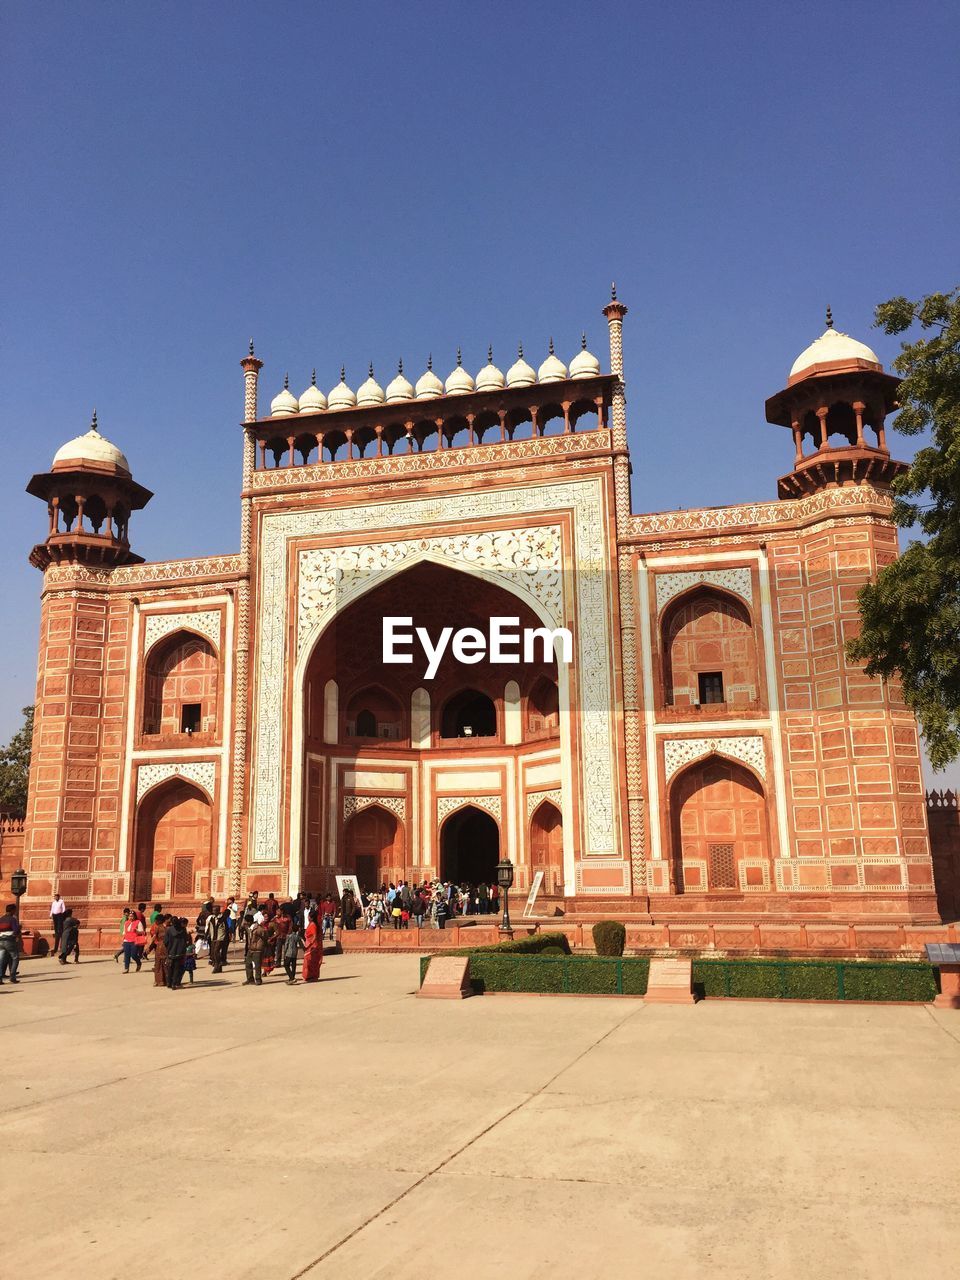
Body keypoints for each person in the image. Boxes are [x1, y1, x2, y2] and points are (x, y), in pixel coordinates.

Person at [241, 914, 266, 985]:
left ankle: (258, 979)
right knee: (248, 964)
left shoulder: (258, 928)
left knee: (257, 965)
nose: (245, 922)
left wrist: (261, 945)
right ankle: (250, 979)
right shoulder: (249, 928)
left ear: (249, 922)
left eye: (245, 921)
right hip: (250, 948)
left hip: (257, 949)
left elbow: (264, 936)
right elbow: (242, 926)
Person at [0, 903, 21, 983]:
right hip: (9, 940)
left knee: (1, 959)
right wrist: (17, 933)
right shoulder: (12, 919)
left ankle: (0, 978)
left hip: (1, 940)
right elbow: (15, 930)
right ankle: (12, 976)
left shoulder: (1, 919)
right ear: (12, 910)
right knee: (15, 958)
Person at [165, 917, 188, 989]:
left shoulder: (169, 930)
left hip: (171, 951)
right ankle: (174, 984)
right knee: (177, 968)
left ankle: (169, 982)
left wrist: (168, 949)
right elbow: (185, 940)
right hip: (180, 951)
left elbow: (166, 942)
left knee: (170, 968)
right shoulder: (183, 929)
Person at [302, 908, 323, 982]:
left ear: (311, 917)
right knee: (311, 961)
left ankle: (311, 976)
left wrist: (310, 944)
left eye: (308, 916)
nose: (307, 918)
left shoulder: (313, 925)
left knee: (310, 962)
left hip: (312, 946)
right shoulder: (311, 924)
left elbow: (314, 936)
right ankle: (310, 976)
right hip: (310, 945)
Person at [152, 915, 169, 987]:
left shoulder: (157, 928)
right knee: (164, 963)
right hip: (166, 947)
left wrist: (149, 948)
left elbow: (154, 938)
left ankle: (159, 981)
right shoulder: (167, 928)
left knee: (158, 964)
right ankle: (166, 980)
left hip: (159, 947)